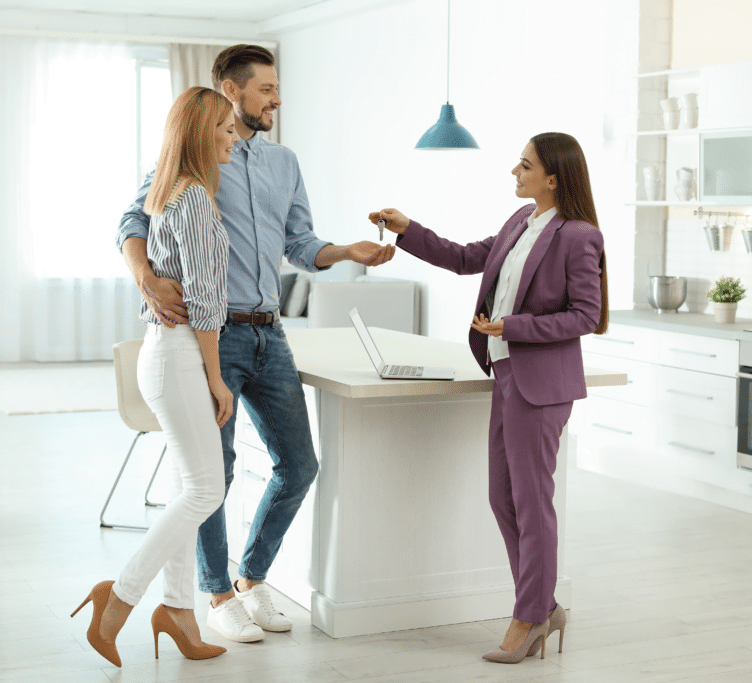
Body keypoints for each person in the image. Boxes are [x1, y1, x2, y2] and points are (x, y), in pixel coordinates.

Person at [116, 45, 395, 643]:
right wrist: (145, 275)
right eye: (266, 88)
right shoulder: (195, 156)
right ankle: (216, 594)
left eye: (276, 88)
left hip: (270, 332)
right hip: (207, 337)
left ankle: (252, 577)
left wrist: (345, 251)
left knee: (299, 465)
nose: (276, 99)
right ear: (230, 88)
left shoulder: (284, 163)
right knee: (212, 473)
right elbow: (133, 220)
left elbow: (300, 244)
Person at [369, 132, 609, 664]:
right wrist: (408, 230)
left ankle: (529, 617)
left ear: (553, 177)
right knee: (503, 497)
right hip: (507, 376)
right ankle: (544, 606)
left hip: (541, 385)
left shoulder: (578, 236)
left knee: (531, 501)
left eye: (524, 165)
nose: (514, 172)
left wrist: (512, 326)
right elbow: (461, 258)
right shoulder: (518, 224)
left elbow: (584, 317)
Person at [73, 86, 241, 667]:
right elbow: (205, 299)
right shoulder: (192, 199)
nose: (233, 135)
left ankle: (178, 612)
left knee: (185, 488)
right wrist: (217, 379)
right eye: (224, 126)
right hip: (178, 355)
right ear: (200, 132)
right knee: (206, 490)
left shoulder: (175, 194)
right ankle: (117, 600)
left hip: (168, 352)